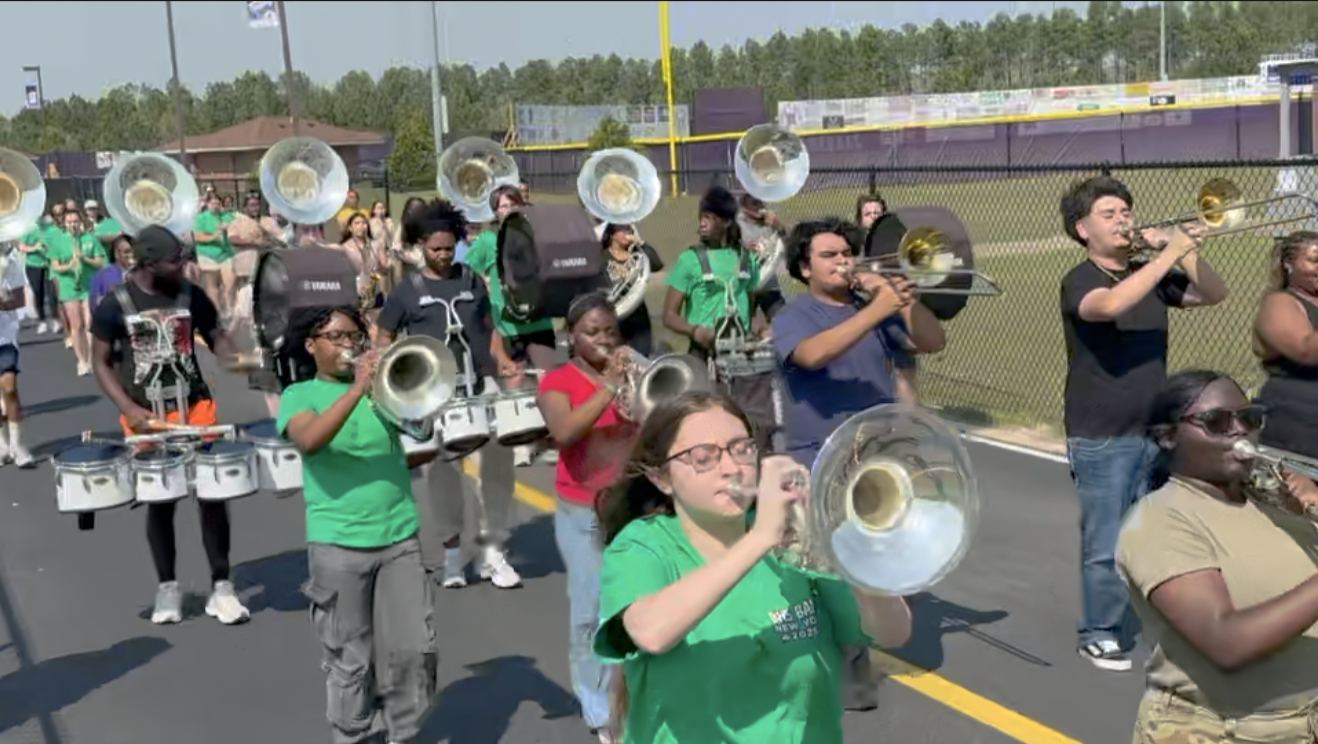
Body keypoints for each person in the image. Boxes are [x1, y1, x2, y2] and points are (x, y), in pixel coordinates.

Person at [593, 390, 912, 744]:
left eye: (741, 449)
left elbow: (893, 633)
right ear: (661, 478)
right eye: (704, 457)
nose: (731, 468)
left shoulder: (794, 539)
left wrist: (850, 552)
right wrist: (760, 538)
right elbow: (650, 632)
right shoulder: (643, 546)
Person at [1058, 175, 1229, 671]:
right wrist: (1163, 256)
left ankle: (1158, 622)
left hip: (1154, 429)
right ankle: (1099, 632)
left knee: (1155, 534)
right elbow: (1110, 305)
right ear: (1082, 229)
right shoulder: (1080, 279)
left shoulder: (1148, 274)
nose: (1122, 221)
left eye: (1126, 212)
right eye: (1109, 214)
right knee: (1106, 541)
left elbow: (1214, 294)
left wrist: (1185, 252)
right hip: (1102, 432)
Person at [1117, 370, 1318, 742]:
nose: (1240, 431)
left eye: (1249, 418)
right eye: (1217, 422)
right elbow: (1225, 641)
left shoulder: (1277, 503)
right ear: (1168, 436)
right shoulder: (1159, 519)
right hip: (1221, 732)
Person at [278, 304, 439, 744]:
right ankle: (352, 734)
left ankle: (400, 730)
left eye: (354, 337)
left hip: (399, 537)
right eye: (337, 337)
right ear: (311, 346)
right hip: (338, 544)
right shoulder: (300, 395)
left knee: (417, 649)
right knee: (350, 660)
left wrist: (398, 387)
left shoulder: (378, 392)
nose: (348, 346)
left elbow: (422, 430)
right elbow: (310, 440)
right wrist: (357, 390)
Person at [90, 226, 253, 626]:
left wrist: (244, 358)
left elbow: (215, 338)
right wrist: (128, 408)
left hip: (197, 409)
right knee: (160, 501)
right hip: (146, 415)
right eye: (174, 261)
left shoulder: (191, 295)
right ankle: (168, 587)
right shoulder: (115, 303)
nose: (183, 266)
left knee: (213, 496)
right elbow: (100, 362)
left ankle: (222, 587)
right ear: (149, 262)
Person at [377, 199, 523, 590]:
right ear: (420, 245)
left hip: (481, 385)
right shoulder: (407, 291)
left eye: (449, 248)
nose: (443, 255)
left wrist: (503, 360)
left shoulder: (471, 280)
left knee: (498, 468)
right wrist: (394, 376)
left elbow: (490, 327)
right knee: (442, 475)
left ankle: (493, 553)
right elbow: (384, 336)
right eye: (435, 249)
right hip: (433, 395)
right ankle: (453, 556)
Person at [535, 293, 640, 743]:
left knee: (639, 601)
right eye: (591, 332)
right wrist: (610, 388)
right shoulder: (557, 381)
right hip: (583, 509)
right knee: (591, 610)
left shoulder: (634, 372)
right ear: (571, 337)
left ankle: (638, 697)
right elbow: (564, 432)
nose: (603, 340)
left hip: (634, 503)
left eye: (610, 331)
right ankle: (600, 712)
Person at [1252, 231, 1318, 501]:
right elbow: (1306, 351)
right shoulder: (1280, 302)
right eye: (1314, 260)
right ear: (1288, 264)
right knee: (1303, 507)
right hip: (1299, 421)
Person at [600, 223, 664, 357]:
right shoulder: (602, 257)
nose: (628, 233)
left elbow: (656, 264)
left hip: (638, 314)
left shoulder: (638, 253)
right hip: (614, 314)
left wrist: (641, 242)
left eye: (629, 229)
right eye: (623, 230)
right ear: (612, 234)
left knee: (642, 356)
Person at [0, 243, 33, 467]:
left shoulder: (10, 262)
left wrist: (3, 302)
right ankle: (2, 445)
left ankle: (18, 445)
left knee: (9, 388)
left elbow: (20, 299)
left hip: (5, 334)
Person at [90, 234, 134, 311]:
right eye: (126, 252)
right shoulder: (102, 276)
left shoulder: (143, 273)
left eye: (134, 251)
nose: (131, 255)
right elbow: (95, 306)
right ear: (117, 254)